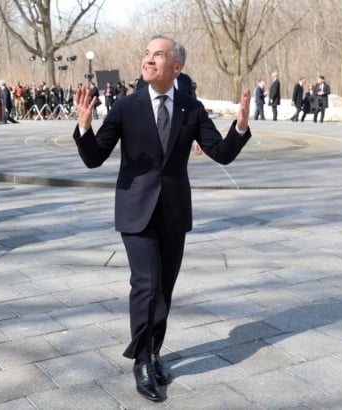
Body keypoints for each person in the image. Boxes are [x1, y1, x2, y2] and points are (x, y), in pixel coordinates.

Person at [72, 34, 251, 402]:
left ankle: (154, 352)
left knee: (164, 288)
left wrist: (241, 127)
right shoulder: (126, 106)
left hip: (173, 211)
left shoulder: (191, 107)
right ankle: (140, 360)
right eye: (146, 54)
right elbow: (94, 158)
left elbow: (220, 153)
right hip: (135, 210)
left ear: (176, 66)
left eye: (158, 55)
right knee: (147, 284)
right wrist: (85, 127)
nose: (148, 60)